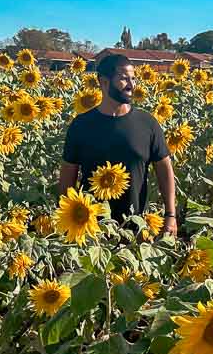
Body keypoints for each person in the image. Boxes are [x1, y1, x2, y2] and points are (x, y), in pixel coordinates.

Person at [58, 54, 178, 236]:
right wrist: (66, 217)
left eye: (133, 78)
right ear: (104, 82)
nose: (131, 85)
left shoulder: (147, 123)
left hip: (136, 228)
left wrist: (171, 214)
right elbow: (68, 174)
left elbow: (165, 170)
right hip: (90, 229)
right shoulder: (81, 125)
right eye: (124, 79)